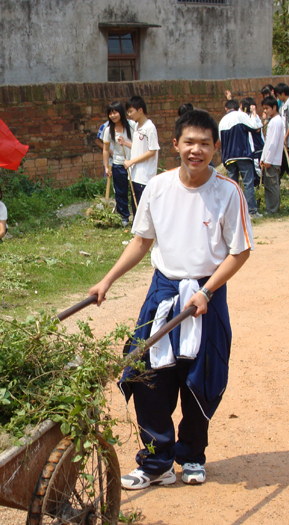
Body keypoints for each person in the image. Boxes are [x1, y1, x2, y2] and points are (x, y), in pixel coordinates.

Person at [89, 109, 253, 489]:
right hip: (163, 291)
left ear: (216, 148)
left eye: (205, 144)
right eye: (189, 142)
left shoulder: (228, 192)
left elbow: (240, 250)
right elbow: (142, 241)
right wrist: (107, 280)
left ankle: (193, 455)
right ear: (176, 144)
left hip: (206, 293)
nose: (196, 150)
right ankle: (156, 462)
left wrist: (207, 290)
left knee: (200, 378)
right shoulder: (158, 188)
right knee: (147, 375)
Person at [218, 99, 262, 217]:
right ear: (238, 107)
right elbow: (255, 127)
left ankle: (234, 212)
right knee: (248, 183)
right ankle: (251, 211)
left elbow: (221, 141)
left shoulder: (222, 121)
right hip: (243, 154)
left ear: (226, 109)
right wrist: (253, 114)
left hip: (228, 158)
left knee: (232, 186)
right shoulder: (240, 115)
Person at [119, 96, 159, 216]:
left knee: (143, 209)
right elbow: (139, 147)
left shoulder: (149, 128)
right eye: (128, 112)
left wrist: (132, 161)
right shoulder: (137, 127)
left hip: (145, 176)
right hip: (135, 174)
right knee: (135, 206)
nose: (129, 114)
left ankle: (144, 233)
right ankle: (137, 232)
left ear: (140, 110)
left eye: (131, 111)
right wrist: (125, 143)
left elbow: (152, 151)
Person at [102, 101, 136, 226]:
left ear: (121, 112)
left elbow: (138, 145)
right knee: (120, 191)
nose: (113, 115)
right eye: (110, 113)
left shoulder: (132, 125)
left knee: (134, 190)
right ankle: (124, 217)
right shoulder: (108, 130)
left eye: (115, 112)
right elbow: (105, 150)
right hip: (118, 163)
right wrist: (106, 167)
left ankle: (137, 215)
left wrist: (125, 143)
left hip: (133, 162)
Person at [260, 96, 285, 215]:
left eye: (267, 108)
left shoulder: (276, 121)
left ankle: (273, 210)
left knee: (272, 186)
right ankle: (271, 209)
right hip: (269, 158)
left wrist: (268, 159)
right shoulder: (273, 121)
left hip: (273, 160)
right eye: (263, 108)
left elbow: (273, 143)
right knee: (269, 185)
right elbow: (268, 142)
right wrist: (263, 158)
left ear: (274, 107)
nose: (265, 111)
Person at [240, 97, 264, 188]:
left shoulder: (254, 117)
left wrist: (254, 113)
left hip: (257, 147)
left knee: (259, 170)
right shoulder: (244, 117)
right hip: (251, 149)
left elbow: (257, 128)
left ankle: (261, 186)